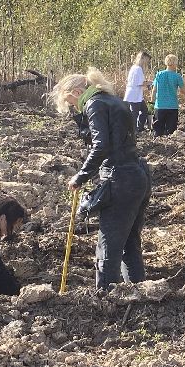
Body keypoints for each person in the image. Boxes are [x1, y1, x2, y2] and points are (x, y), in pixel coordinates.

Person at [51, 70, 153, 289]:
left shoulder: (94, 105)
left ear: (78, 92)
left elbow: (101, 145)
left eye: (71, 102)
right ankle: (138, 292)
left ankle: (106, 299)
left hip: (119, 179)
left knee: (108, 246)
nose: (73, 108)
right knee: (129, 242)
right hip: (138, 175)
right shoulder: (113, 100)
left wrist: (80, 176)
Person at [151, 55, 185, 136]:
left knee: (158, 132)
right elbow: (183, 91)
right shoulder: (177, 76)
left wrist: (152, 102)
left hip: (159, 106)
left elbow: (154, 90)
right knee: (171, 133)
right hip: (172, 106)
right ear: (175, 63)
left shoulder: (159, 74)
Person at [125, 51, 152, 133]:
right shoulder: (138, 69)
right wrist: (151, 83)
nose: (147, 62)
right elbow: (141, 83)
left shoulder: (134, 67)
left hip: (134, 94)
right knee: (135, 113)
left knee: (144, 110)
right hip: (134, 95)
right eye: (147, 60)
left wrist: (147, 82)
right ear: (143, 59)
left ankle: (139, 127)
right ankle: (134, 130)